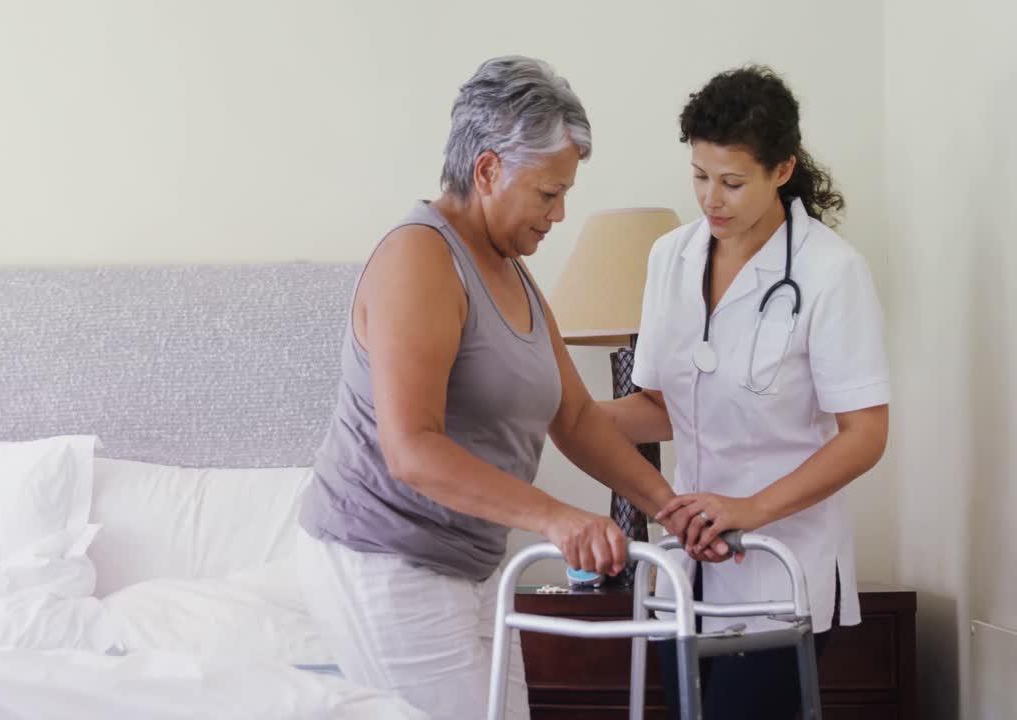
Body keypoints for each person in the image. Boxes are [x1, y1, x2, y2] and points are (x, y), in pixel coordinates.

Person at [294, 55, 685, 719]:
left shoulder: (511, 269)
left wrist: (671, 509)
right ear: (487, 171)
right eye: (548, 193)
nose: (559, 213)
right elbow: (411, 448)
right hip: (386, 558)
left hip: (472, 565)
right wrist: (555, 516)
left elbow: (575, 418)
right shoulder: (419, 258)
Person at [600, 65, 890, 720]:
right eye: (699, 176)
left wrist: (751, 509)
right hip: (687, 566)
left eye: (732, 182)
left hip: (780, 563)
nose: (712, 200)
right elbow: (659, 410)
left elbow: (866, 435)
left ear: (782, 169)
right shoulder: (669, 258)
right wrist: (563, 413)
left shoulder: (830, 271)